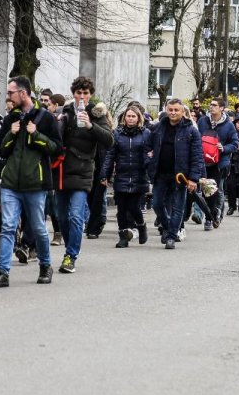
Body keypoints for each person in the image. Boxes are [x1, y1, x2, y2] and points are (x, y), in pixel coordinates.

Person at [0, 76, 60, 288]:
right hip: (11, 183)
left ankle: (46, 266)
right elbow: (0, 149)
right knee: (8, 227)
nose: (8, 97)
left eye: (11, 93)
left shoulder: (46, 118)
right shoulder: (10, 119)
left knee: (38, 227)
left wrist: (36, 135)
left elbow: (57, 149)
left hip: (35, 184)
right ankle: (2, 272)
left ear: (23, 93)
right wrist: (12, 133)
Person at [53, 76, 113, 274]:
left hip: (83, 170)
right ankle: (71, 247)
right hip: (62, 171)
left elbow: (109, 140)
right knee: (62, 218)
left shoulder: (97, 113)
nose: (82, 96)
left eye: (85, 93)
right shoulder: (65, 112)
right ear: (73, 94)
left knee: (76, 216)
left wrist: (90, 126)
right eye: (78, 93)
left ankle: (71, 255)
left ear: (90, 95)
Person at [147, 99, 203, 248]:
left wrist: (193, 178)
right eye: (170, 109)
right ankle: (166, 226)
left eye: (176, 110)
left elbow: (197, 156)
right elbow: (147, 147)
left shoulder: (191, 131)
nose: (172, 113)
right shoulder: (157, 128)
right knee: (157, 204)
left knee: (178, 207)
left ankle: (172, 235)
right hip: (160, 173)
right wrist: (149, 159)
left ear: (183, 112)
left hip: (180, 176)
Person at [100, 103, 152, 248]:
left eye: (133, 116)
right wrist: (105, 174)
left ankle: (141, 226)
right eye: (128, 116)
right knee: (121, 208)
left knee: (134, 206)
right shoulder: (117, 133)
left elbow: (149, 154)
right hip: (122, 175)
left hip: (138, 175)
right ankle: (123, 235)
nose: (130, 119)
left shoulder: (146, 133)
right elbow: (110, 155)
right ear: (124, 118)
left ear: (138, 118)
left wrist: (150, 168)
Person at [196, 98, 238, 230]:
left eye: (214, 105)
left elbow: (235, 143)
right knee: (201, 191)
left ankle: (211, 218)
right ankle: (206, 214)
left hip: (218, 163)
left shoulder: (228, 125)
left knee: (214, 191)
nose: (211, 107)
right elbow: (196, 137)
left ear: (221, 108)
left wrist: (224, 148)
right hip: (202, 162)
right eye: (211, 105)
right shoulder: (203, 121)